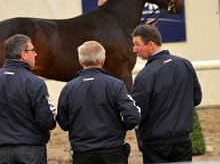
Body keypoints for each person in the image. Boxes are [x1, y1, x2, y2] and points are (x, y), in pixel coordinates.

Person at [0, 34, 56, 164]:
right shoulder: (34, 82)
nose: (35, 54)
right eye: (33, 50)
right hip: (31, 149)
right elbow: (46, 121)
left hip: (3, 149)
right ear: (24, 54)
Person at [57, 40, 141, 164]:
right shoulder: (116, 85)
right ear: (103, 60)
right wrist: (120, 128)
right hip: (112, 150)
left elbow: (63, 123)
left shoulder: (68, 89)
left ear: (80, 61)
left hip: (82, 151)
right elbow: (133, 116)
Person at [130, 24, 202, 163]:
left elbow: (138, 111)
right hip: (182, 140)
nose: (134, 49)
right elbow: (196, 98)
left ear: (150, 45)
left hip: (155, 144)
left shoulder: (145, 75)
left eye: (136, 44)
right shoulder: (185, 64)